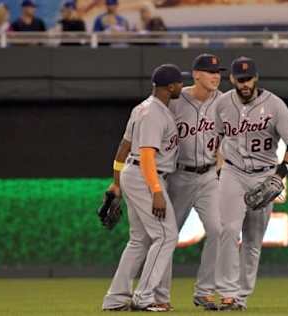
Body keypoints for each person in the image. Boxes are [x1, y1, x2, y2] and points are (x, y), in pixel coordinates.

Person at [214, 56, 288, 311]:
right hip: (232, 173)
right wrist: (218, 166)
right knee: (229, 231)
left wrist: (280, 174)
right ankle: (228, 293)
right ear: (231, 79)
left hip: (265, 174)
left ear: (256, 78)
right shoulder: (222, 104)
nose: (245, 84)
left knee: (252, 242)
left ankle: (240, 298)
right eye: (240, 79)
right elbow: (215, 139)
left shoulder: (274, 105)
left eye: (248, 79)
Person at [101, 64, 184, 312]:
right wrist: (156, 191)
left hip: (133, 173)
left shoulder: (142, 108)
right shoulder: (154, 114)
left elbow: (123, 147)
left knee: (139, 240)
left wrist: (117, 182)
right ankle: (144, 297)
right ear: (170, 87)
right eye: (179, 83)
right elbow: (147, 156)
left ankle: (115, 298)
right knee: (167, 235)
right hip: (146, 176)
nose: (182, 86)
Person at [154, 54, 226, 311]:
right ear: (196, 74)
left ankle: (204, 292)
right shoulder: (175, 100)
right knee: (167, 237)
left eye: (218, 71)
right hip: (178, 176)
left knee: (219, 230)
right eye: (210, 71)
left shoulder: (224, 101)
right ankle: (160, 296)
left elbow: (227, 139)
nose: (216, 75)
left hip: (208, 176)